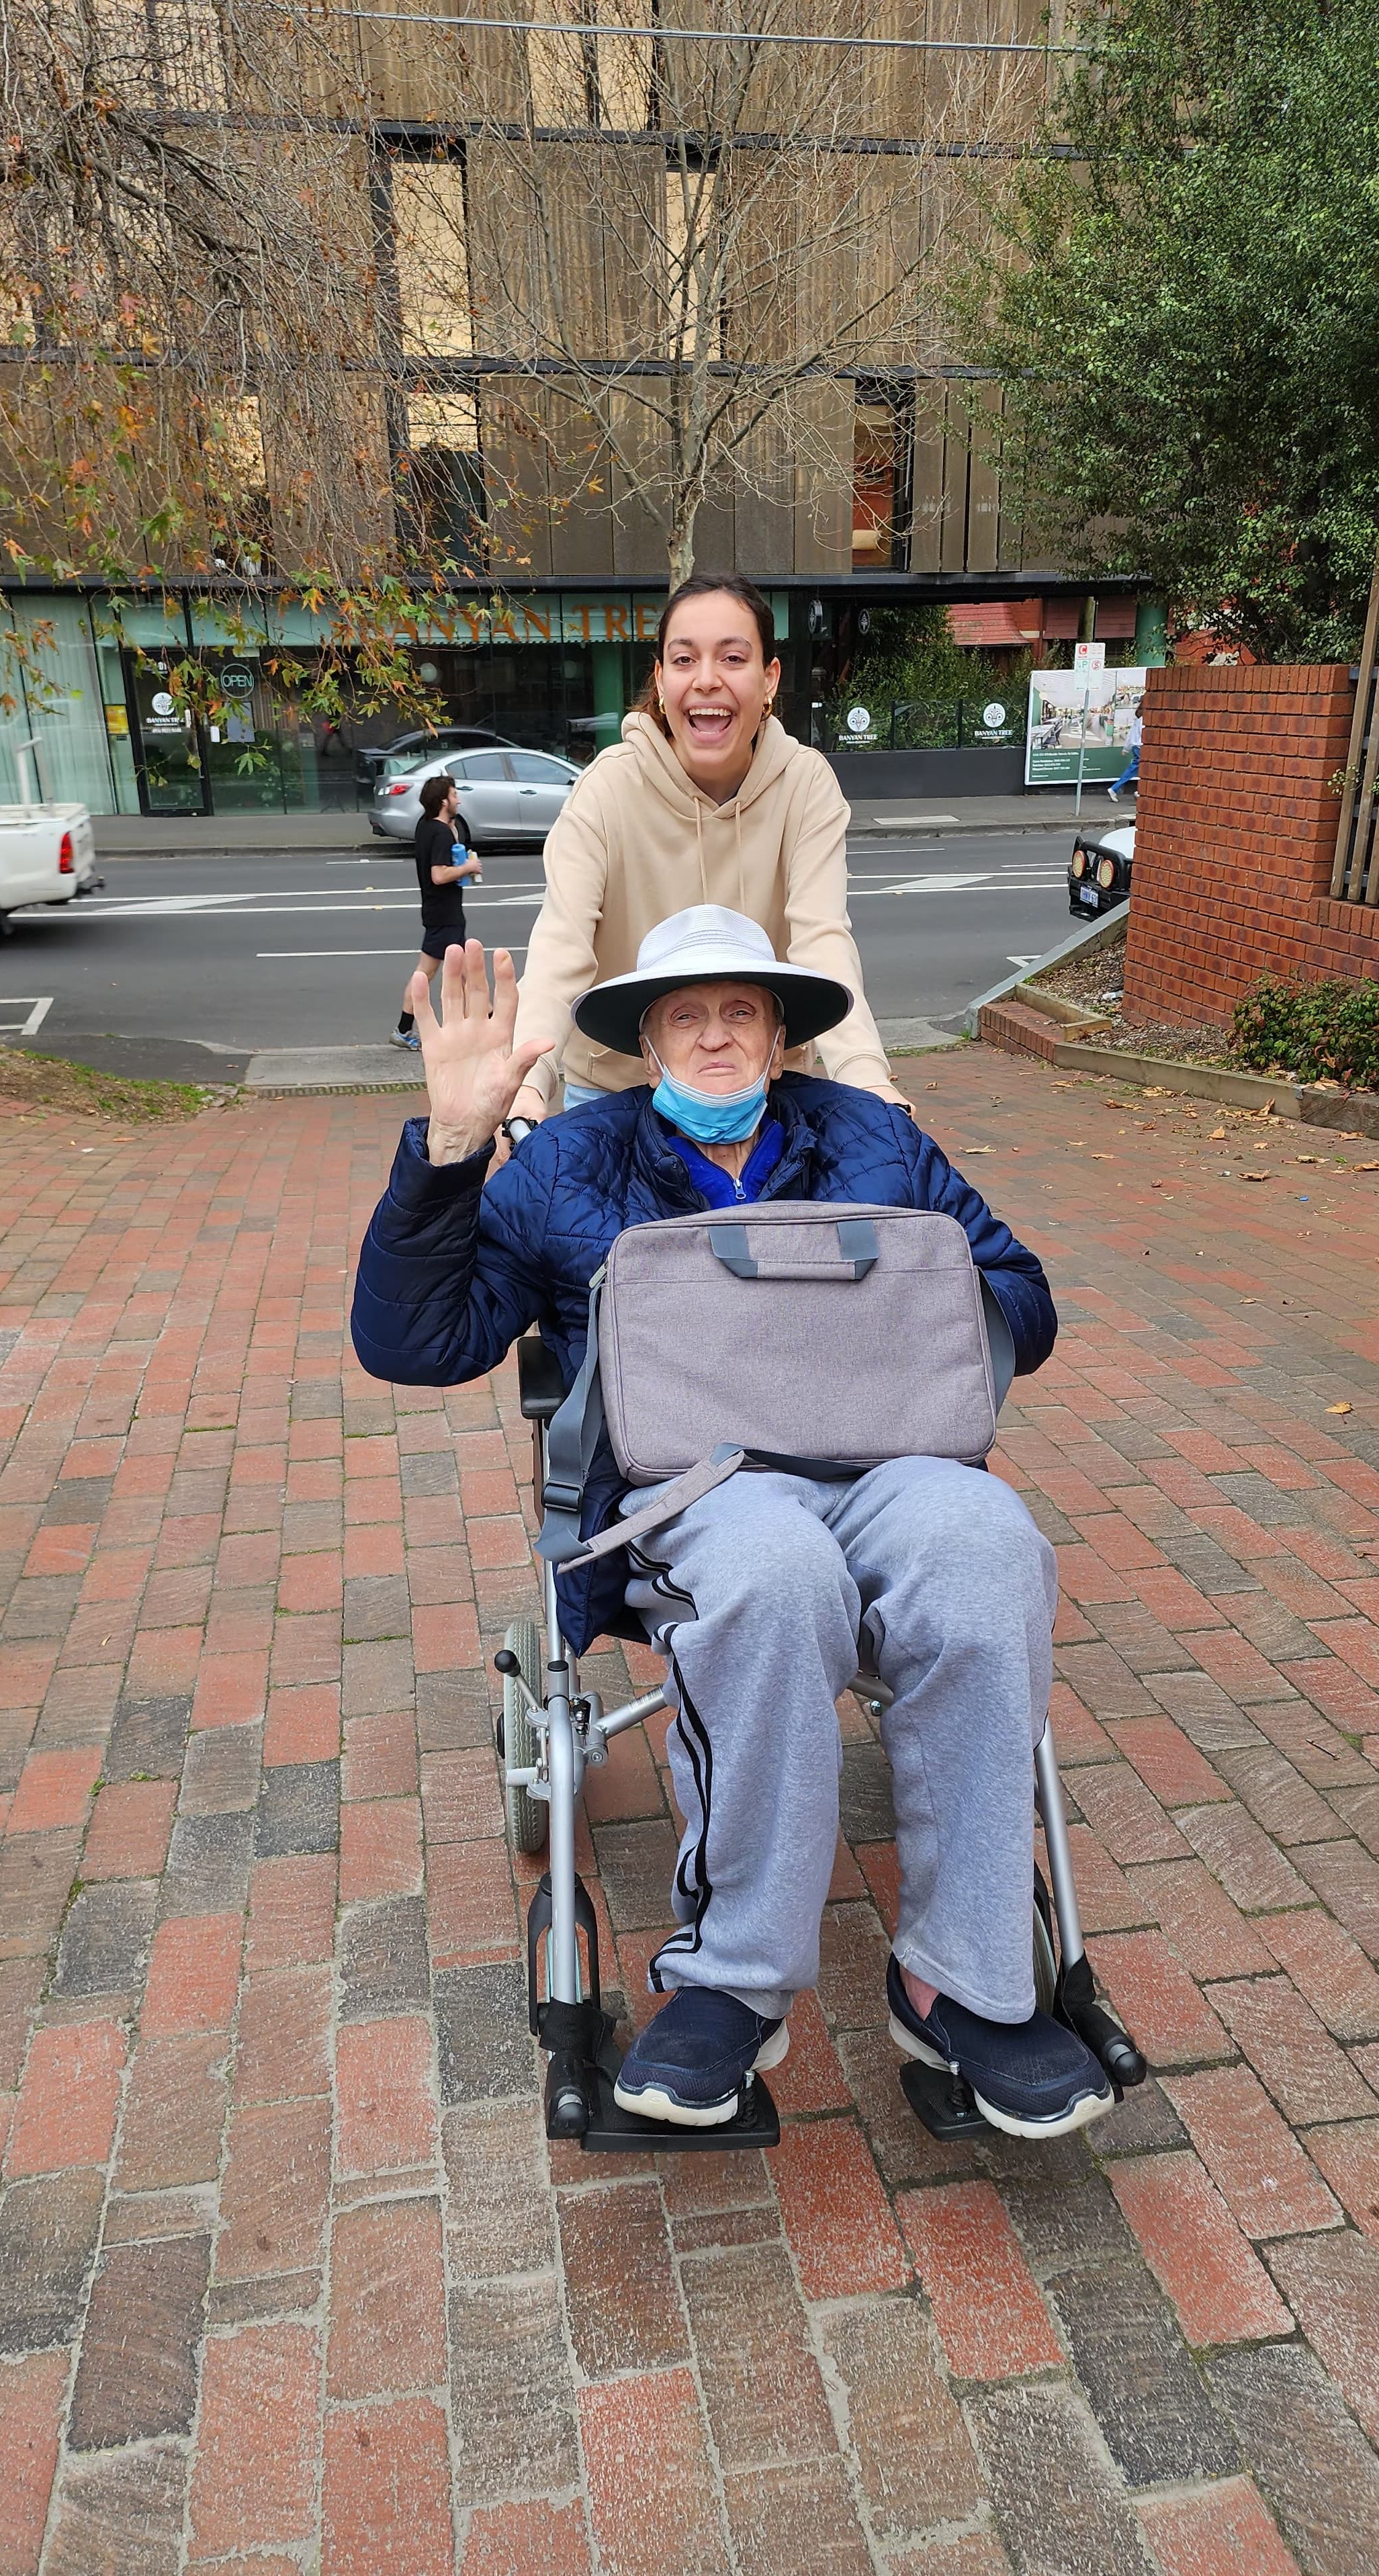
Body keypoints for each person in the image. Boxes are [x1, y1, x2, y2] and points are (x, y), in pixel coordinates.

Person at [351, 905, 1115, 2141]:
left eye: (742, 1013)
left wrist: (919, 1300)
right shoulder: (570, 1163)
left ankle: (963, 1984)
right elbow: (414, 1342)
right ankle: (734, 1985)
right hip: (697, 1485)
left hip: (892, 1463)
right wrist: (450, 1146)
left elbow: (1017, 1294)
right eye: (687, 1015)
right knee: (775, 1569)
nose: (715, 1036)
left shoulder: (871, 1138)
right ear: (649, 1042)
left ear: (780, 1037)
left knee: (986, 1550)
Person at [501, 572, 907, 1139]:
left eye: (733, 658)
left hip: (760, 1090)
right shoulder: (606, 788)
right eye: (684, 660)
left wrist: (865, 1077)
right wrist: (528, 1081)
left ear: (769, 679)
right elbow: (561, 948)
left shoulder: (804, 784)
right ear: (661, 680)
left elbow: (821, 940)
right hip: (620, 1092)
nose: (707, 679)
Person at [392, 773, 483, 1050]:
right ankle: (404, 1029)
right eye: (455, 795)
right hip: (445, 914)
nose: (459, 800)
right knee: (432, 973)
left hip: (439, 912)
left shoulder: (426, 826)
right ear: (444, 801)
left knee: (461, 973)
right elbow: (439, 875)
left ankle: (481, 1024)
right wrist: (468, 868)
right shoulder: (441, 833)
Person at [1107, 709, 1141, 803]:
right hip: (1142, 747)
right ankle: (1140, 791)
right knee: (1147, 771)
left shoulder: (1138, 720)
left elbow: (1131, 736)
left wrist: (1126, 749)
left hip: (1136, 747)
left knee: (1133, 770)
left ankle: (1115, 788)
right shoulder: (1145, 720)